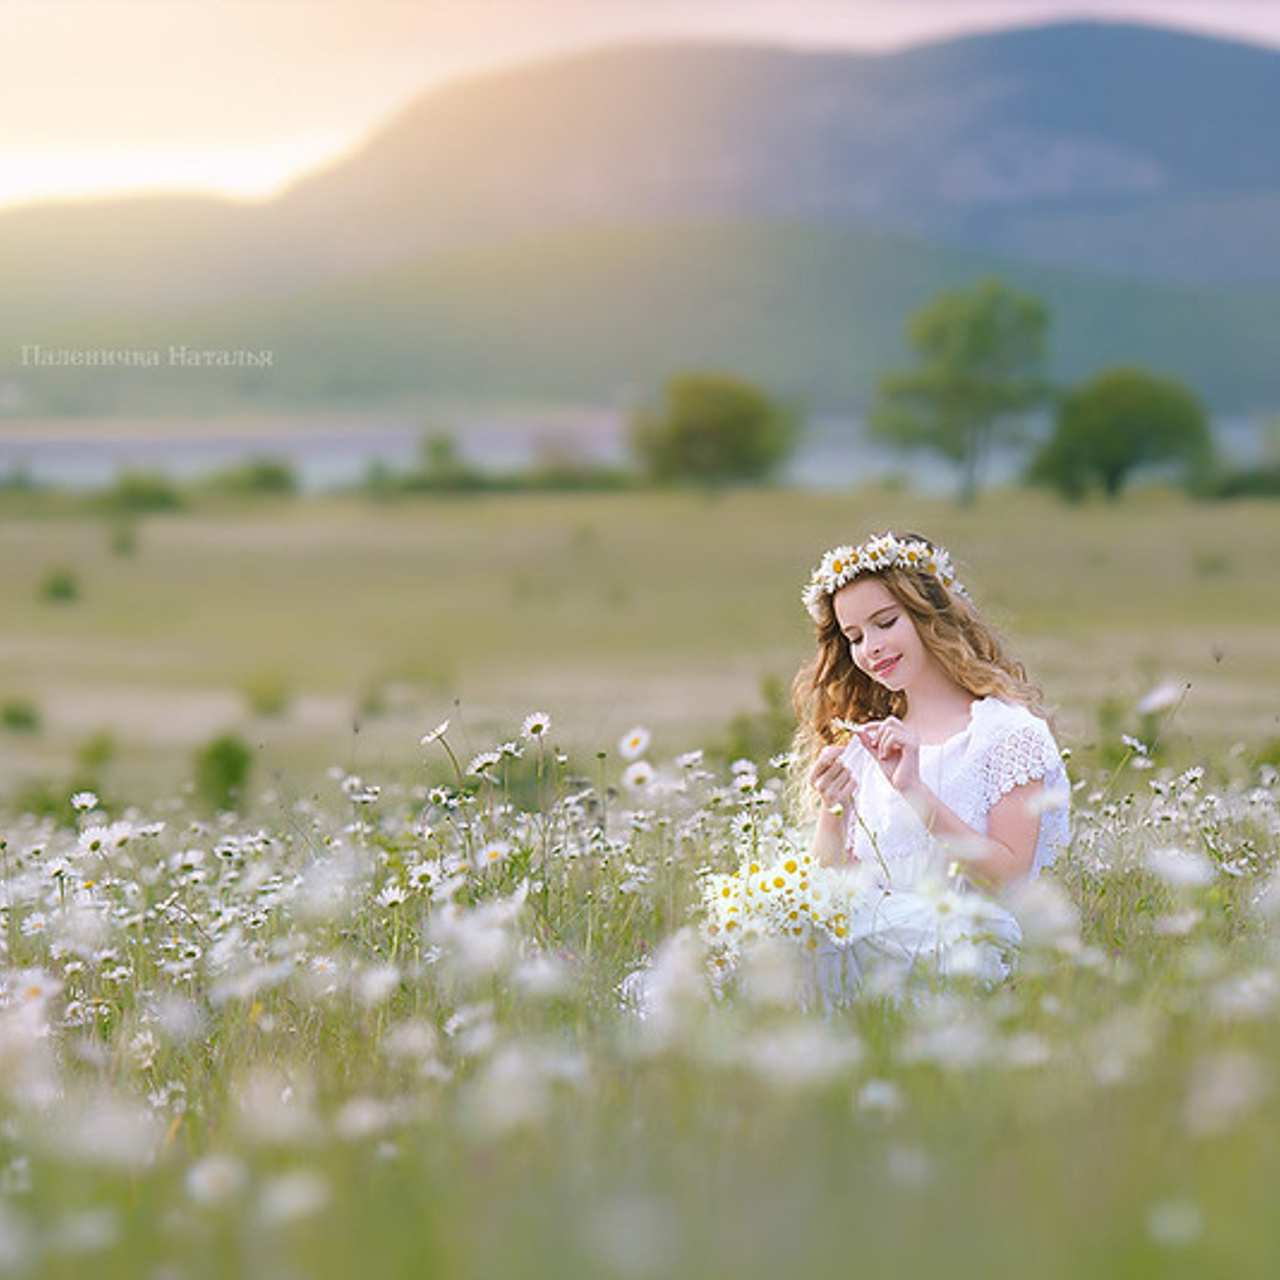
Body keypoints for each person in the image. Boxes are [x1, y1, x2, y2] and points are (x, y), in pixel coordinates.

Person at [790, 530, 1069, 999]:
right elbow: (832, 883)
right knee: (779, 940)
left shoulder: (1006, 734)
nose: (870, 648)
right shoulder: (867, 742)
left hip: (964, 944)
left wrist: (914, 791)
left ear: (928, 615)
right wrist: (831, 811)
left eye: (885, 623)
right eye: (854, 637)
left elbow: (1009, 873)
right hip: (873, 938)